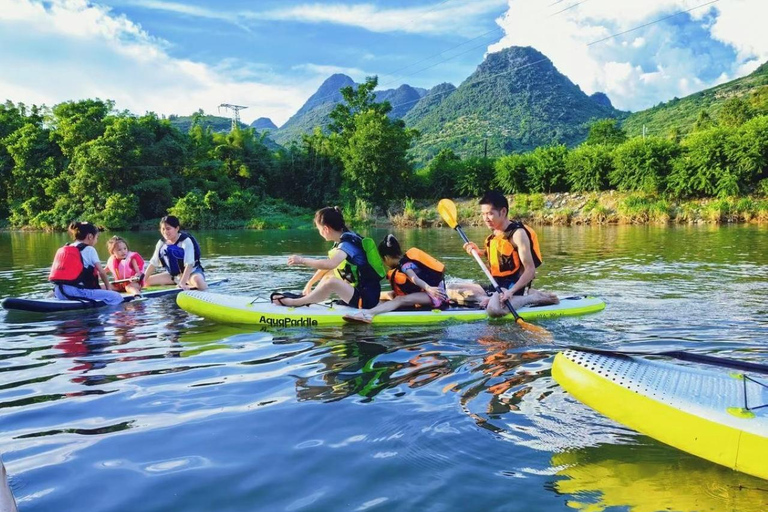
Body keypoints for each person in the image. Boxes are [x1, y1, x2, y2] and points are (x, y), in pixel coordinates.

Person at [448, 191, 558, 318]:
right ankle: (487, 299)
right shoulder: (495, 233)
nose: (485, 218)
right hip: (496, 285)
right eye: (483, 214)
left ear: (503, 212)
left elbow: (530, 270)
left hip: (513, 287)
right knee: (452, 289)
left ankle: (533, 297)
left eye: (490, 214)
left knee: (494, 310)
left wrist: (511, 291)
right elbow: (504, 256)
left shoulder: (518, 234)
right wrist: (479, 252)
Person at [271, 206, 384, 309]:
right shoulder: (341, 242)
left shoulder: (347, 245)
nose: (320, 233)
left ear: (326, 229)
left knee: (331, 281)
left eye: (319, 230)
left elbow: (330, 264)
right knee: (329, 275)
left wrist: (302, 260)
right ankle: (308, 299)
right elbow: (326, 267)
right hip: (359, 293)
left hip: (365, 300)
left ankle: (296, 302)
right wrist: (310, 284)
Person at [343, 234, 448, 323]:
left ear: (386, 258)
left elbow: (414, 278)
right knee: (391, 294)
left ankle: (368, 314)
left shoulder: (405, 265)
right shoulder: (405, 260)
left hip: (435, 294)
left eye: (383, 260)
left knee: (400, 299)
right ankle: (360, 300)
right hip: (431, 290)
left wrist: (429, 288)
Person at [48, 221, 124, 305]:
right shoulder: (89, 249)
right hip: (76, 292)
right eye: (97, 238)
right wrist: (108, 288)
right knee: (116, 297)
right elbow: (102, 272)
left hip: (59, 291)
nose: (96, 241)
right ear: (90, 236)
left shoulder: (67, 247)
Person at [144, 215, 207, 291]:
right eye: (163, 229)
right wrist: (142, 280)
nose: (165, 232)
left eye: (168, 229)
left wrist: (182, 283)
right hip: (174, 276)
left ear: (177, 228)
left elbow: (189, 264)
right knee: (146, 281)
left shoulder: (186, 241)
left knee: (199, 283)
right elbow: (153, 263)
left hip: (191, 273)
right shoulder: (161, 243)